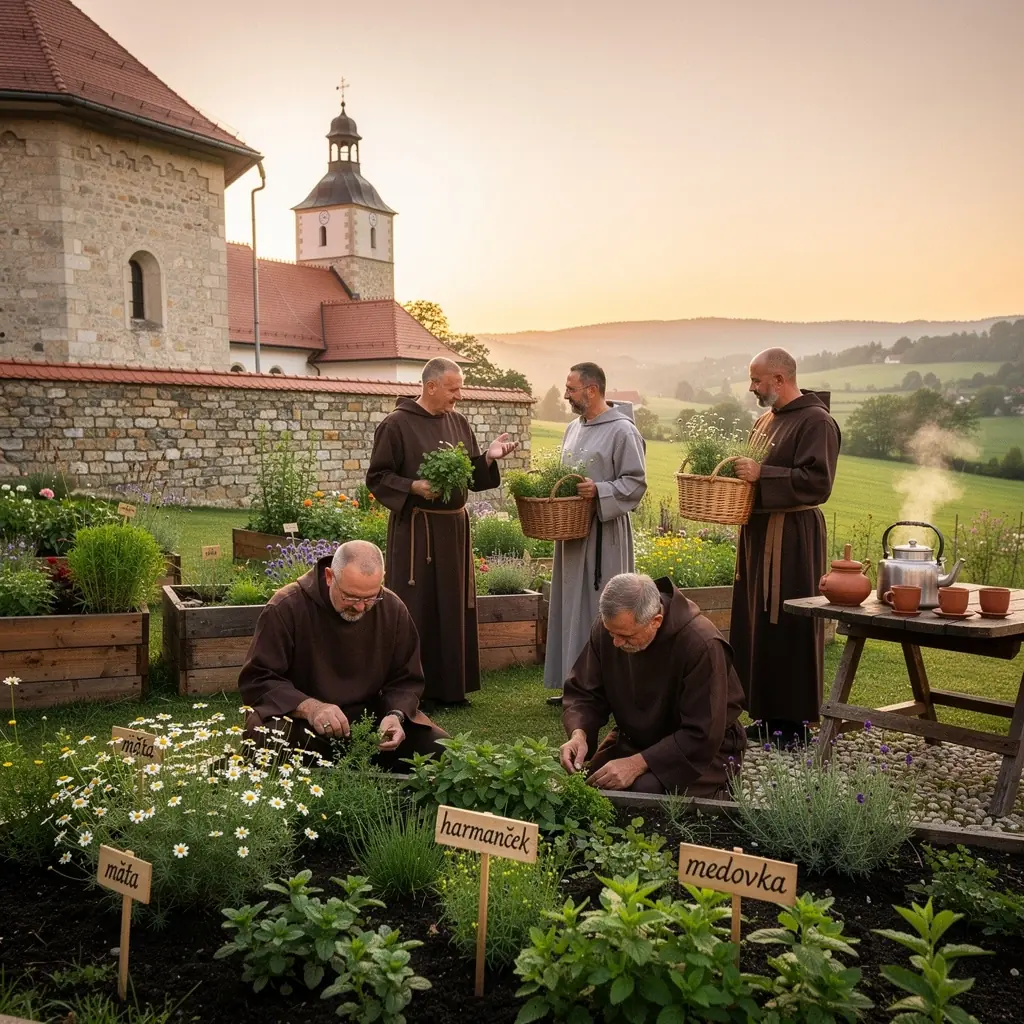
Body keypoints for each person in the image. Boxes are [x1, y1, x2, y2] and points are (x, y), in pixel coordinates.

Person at [366, 357, 519, 706]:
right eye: (453, 389)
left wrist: (489, 458)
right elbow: (377, 478)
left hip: (454, 529)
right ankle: (411, 689)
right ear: (431, 386)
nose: (458, 396)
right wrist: (414, 487)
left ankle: (451, 688)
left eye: (460, 388)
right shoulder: (395, 425)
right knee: (415, 605)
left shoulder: (459, 422)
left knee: (453, 604)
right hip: (416, 531)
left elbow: (471, 476)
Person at [238, 539, 447, 767]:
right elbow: (258, 679)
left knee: (440, 748)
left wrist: (394, 716)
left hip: (368, 721)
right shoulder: (286, 607)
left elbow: (406, 679)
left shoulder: (392, 609)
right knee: (265, 737)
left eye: (369, 598)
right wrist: (311, 708)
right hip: (304, 723)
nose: (360, 607)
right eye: (351, 596)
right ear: (330, 577)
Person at [730, 347, 841, 742]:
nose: (752, 388)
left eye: (757, 380)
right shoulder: (764, 419)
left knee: (788, 622)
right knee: (755, 621)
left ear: (780, 379)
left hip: (792, 537)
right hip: (758, 534)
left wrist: (764, 474)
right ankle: (764, 713)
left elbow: (817, 483)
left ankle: (792, 723)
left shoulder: (817, 422)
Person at [558, 573, 747, 796]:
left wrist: (636, 764)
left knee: (642, 792)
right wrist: (579, 734)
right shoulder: (612, 627)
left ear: (655, 621)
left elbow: (703, 732)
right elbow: (585, 692)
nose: (616, 643)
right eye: (611, 633)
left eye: (626, 636)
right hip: (637, 740)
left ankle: (721, 793)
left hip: (703, 750)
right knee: (589, 784)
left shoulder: (701, 644)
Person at [543, 362, 646, 706]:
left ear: (592, 389)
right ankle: (575, 686)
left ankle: (606, 691)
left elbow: (635, 482)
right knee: (570, 607)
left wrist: (600, 490)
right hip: (571, 533)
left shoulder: (623, 431)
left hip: (605, 535)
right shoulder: (573, 427)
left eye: (571, 388)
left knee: (602, 608)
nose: (566, 394)